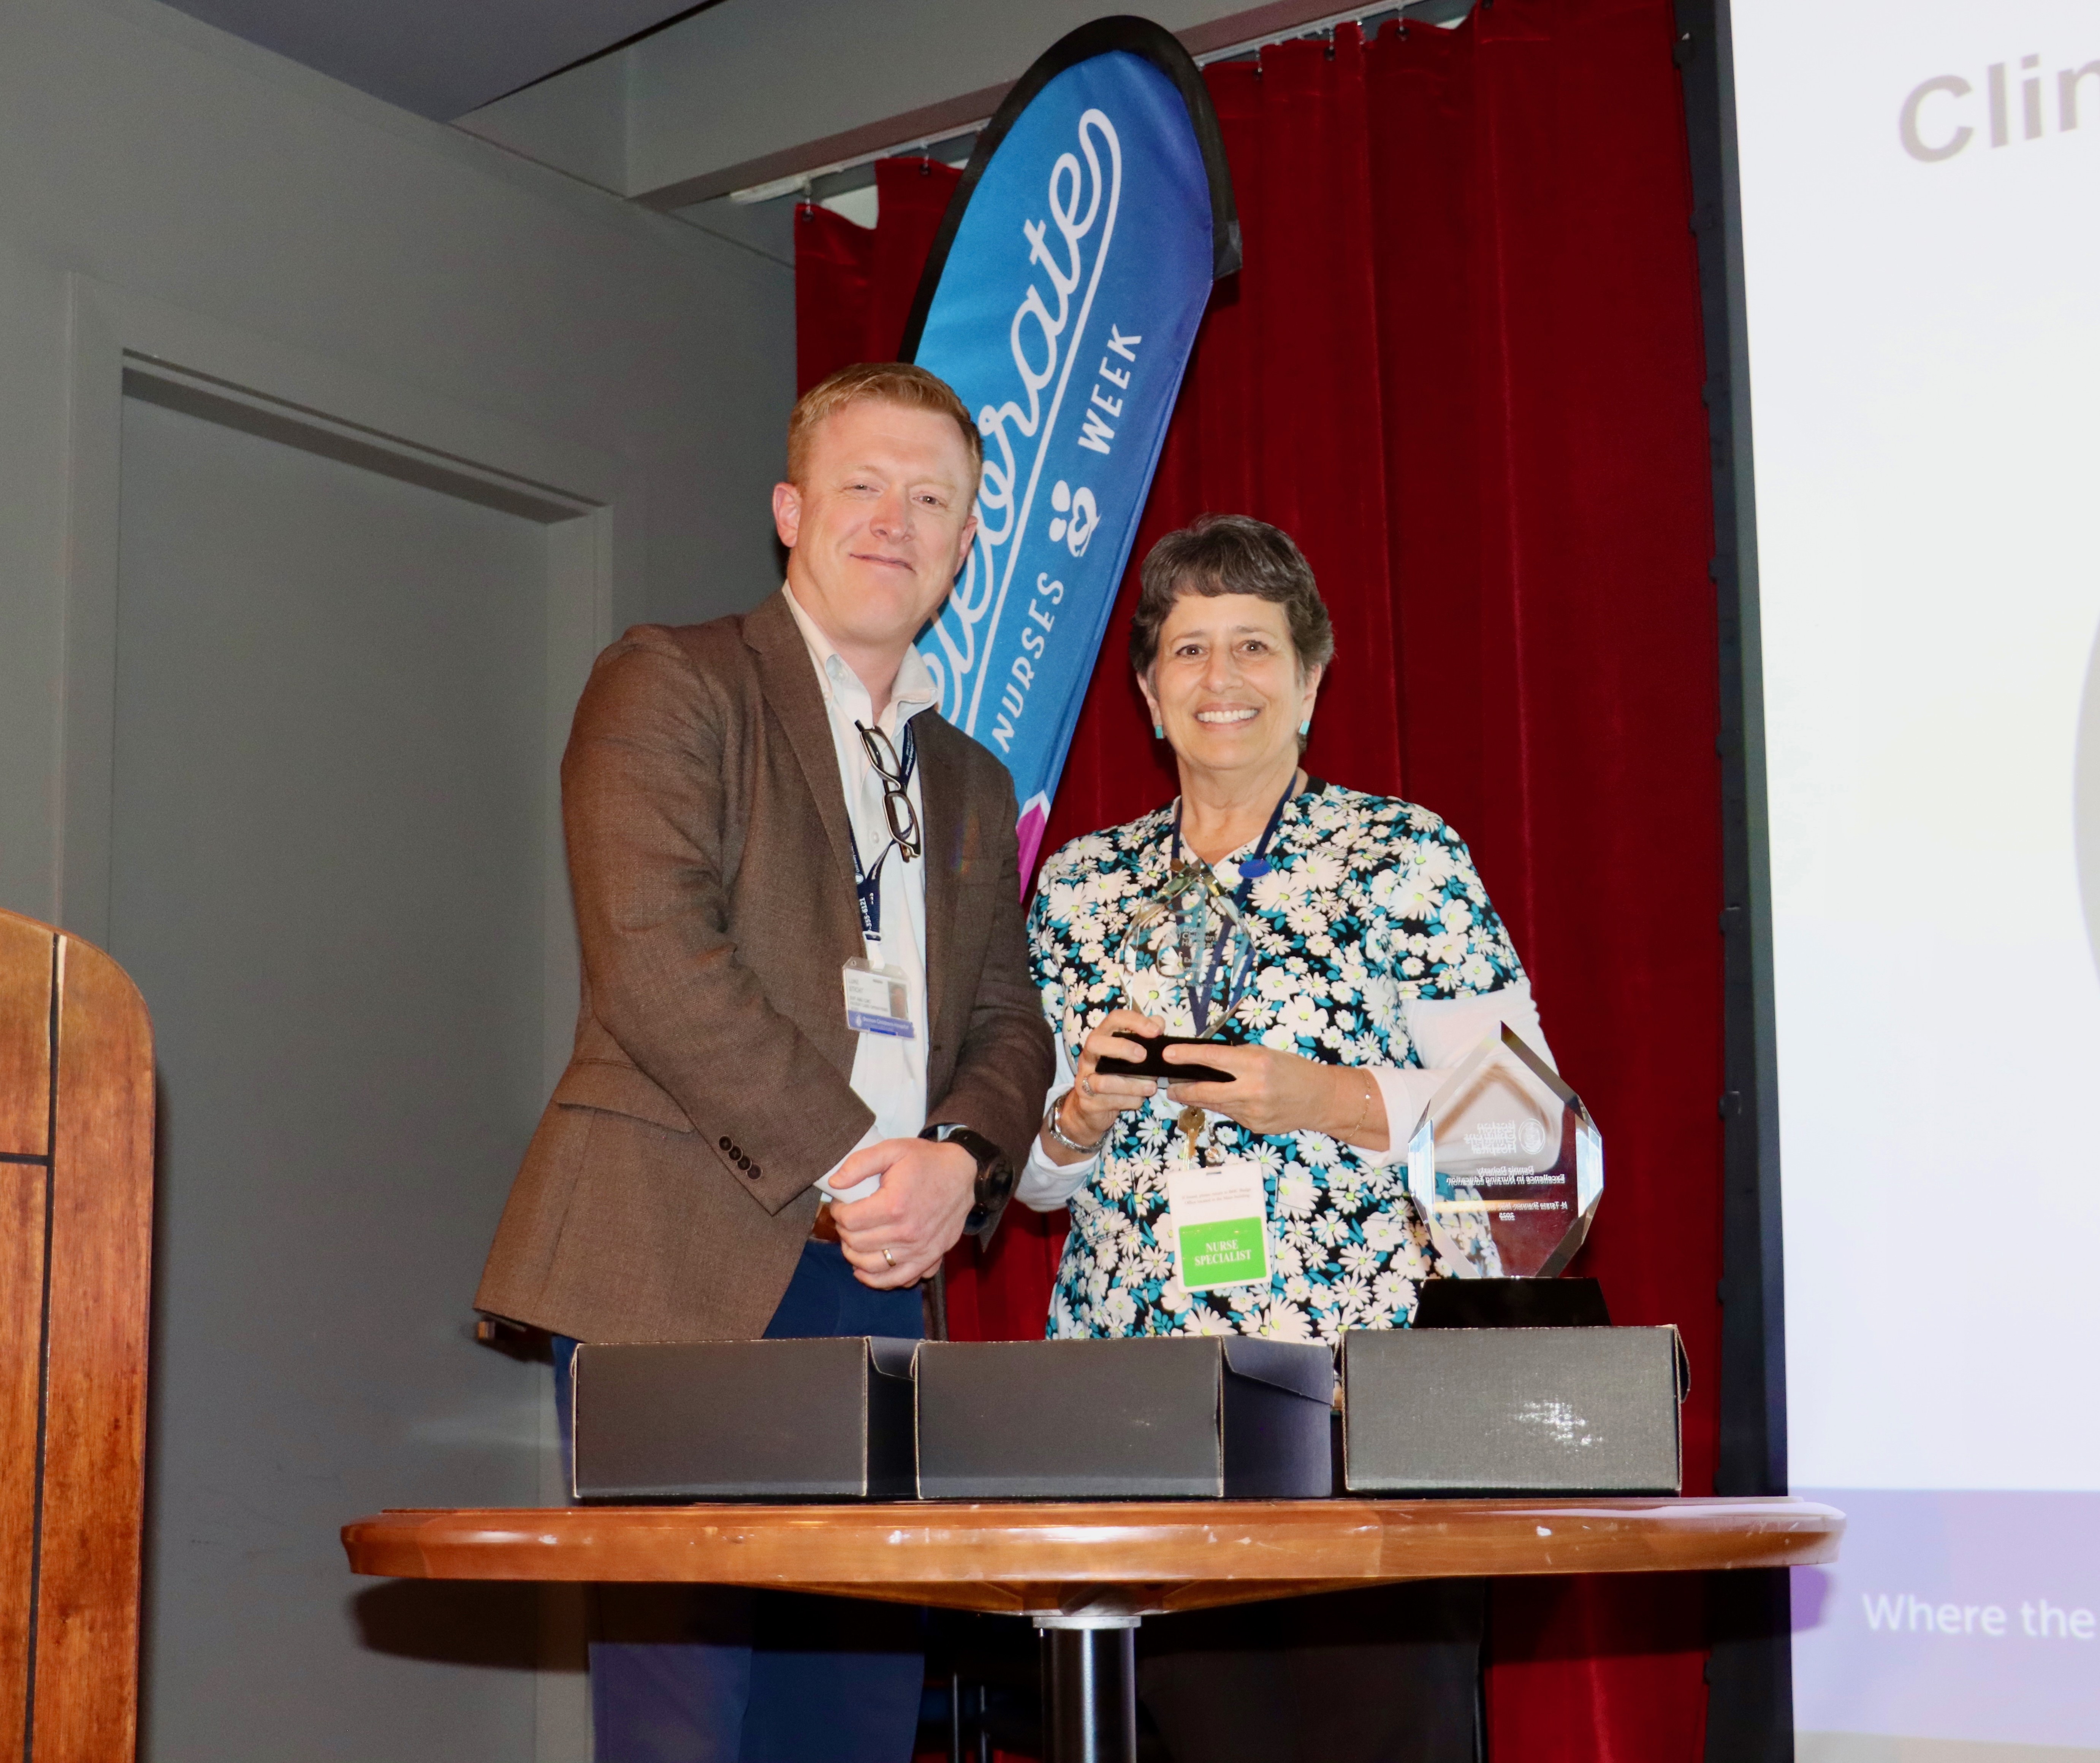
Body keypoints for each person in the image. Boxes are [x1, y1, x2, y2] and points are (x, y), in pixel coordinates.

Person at [476, 361, 1054, 1763]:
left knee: (850, 1718)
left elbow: (1011, 1023)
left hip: (877, 1275)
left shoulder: (969, 778)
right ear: (790, 510)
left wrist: (961, 1166)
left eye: (933, 500)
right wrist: (874, 1163)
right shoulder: (672, 679)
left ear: (968, 545)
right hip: (678, 1260)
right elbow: (657, 965)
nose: (894, 521)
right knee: (689, 1723)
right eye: (862, 485)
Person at [1019, 513, 1558, 1762]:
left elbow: (1526, 1127)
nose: (1222, 681)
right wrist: (1079, 1116)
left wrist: (1321, 1097)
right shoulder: (1082, 886)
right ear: (1149, 695)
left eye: (1255, 648)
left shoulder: (1401, 858)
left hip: (1355, 1411)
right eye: (1190, 651)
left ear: (1312, 680)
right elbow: (1038, 1184)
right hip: (1134, 1417)